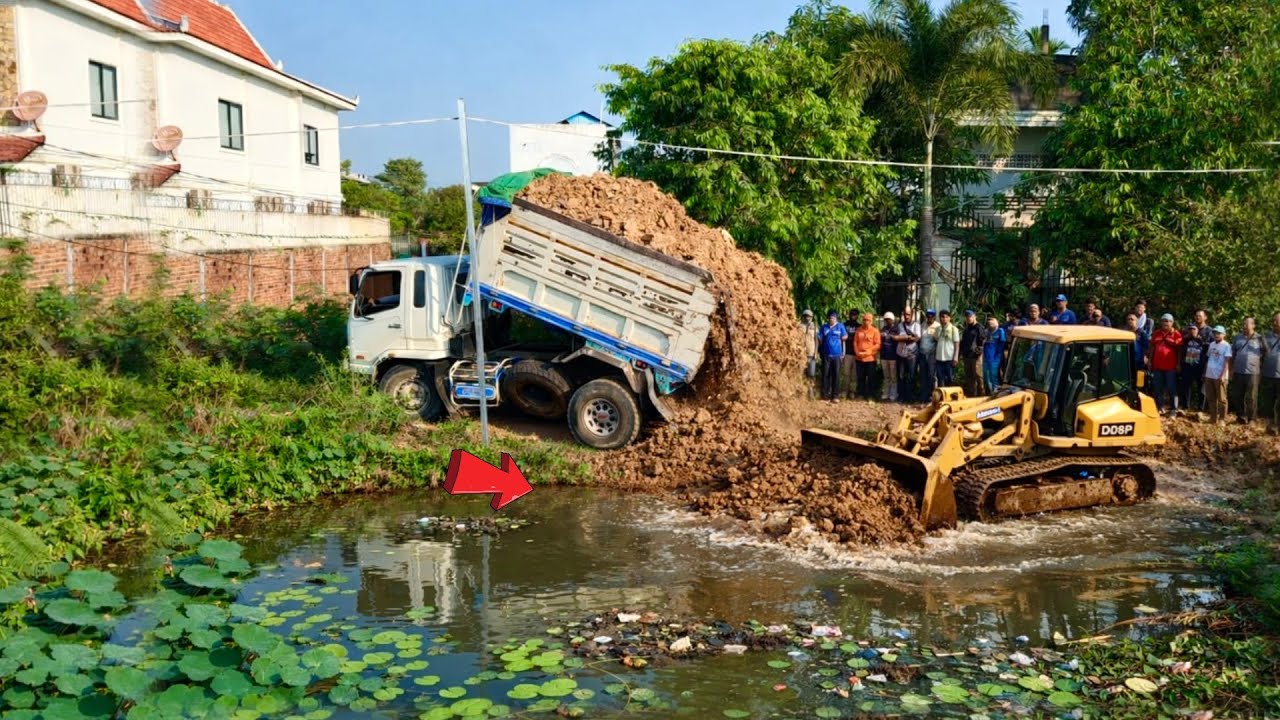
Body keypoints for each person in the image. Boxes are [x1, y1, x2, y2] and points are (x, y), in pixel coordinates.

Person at [1230, 317, 1265, 423]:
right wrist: (1231, 369)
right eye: (1243, 323)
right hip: (1238, 371)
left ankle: (1252, 419)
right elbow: (1232, 354)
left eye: (1247, 324)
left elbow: (1266, 355)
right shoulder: (1237, 337)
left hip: (1253, 372)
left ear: (1253, 325)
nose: (1244, 325)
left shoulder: (1260, 338)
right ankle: (1241, 417)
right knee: (1237, 395)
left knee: (1251, 397)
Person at [1148, 313, 1183, 415]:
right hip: (1157, 366)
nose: (1166, 323)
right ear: (1161, 322)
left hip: (1171, 367)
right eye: (1164, 320)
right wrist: (1150, 361)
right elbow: (1152, 348)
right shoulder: (1156, 333)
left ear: (1172, 323)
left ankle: (1174, 409)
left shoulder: (1176, 334)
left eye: (1168, 321)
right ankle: (1160, 407)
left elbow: (1180, 350)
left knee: (1172, 388)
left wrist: (1178, 364)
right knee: (1158, 388)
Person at [1179, 310, 1213, 413]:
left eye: (1200, 315)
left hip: (1201, 363)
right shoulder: (1188, 329)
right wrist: (1188, 336)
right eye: (1196, 315)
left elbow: (1211, 346)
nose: (1198, 317)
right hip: (1188, 362)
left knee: (1201, 387)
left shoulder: (1209, 331)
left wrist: (1199, 338)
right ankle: (1185, 407)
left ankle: (1200, 409)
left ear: (1205, 317)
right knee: (1185, 386)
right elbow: (1181, 341)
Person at [817, 311, 847, 402]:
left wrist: (843, 352)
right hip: (826, 354)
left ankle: (835, 396)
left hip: (837, 355)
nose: (831, 319)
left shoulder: (840, 326)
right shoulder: (824, 327)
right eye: (830, 318)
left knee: (836, 375)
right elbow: (819, 338)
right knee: (826, 375)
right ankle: (825, 395)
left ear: (836, 318)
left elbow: (845, 337)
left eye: (833, 318)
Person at [1204, 325, 1232, 425]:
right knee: (1211, 398)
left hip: (1219, 375)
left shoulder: (1226, 345)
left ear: (1224, 335)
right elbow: (1209, 358)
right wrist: (1205, 373)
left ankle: (1222, 419)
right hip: (1209, 375)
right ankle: (1213, 417)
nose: (1216, 335)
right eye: (1215, 333)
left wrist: (1223, 375)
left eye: (1219, 333)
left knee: (1222, 399)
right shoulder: (1211, 344)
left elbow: (1227, 362)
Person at [893, 309, 921, 403]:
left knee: (911, 376)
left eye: (908, 314)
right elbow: (894, 337)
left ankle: (910, 397)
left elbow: (917, 338)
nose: (907, 316)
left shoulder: (917, 325)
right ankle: (901, 396)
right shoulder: (900, 325)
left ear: (912, 315)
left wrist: (903, 338)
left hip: (912, 354)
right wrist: (907, 337)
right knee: (900, 376)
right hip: (900, 353)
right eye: (905, 314)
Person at [853, 313, 882, 399]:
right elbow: (855, 342)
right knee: (860, 377)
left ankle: (870, 395)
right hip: (859, 358)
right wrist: (857, 352)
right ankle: (861, 394)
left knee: (871, 377)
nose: (866, 322)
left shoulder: (875, 331)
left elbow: (877, 345)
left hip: (870, 359)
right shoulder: (858, 330)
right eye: (864, 320)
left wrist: (868, 352)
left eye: (868, 320)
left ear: (871, 321)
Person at [1261, 313, 1280, 434]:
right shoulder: (1266, 337)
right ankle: (1270, 426)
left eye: (1278, 321)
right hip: (1268, 375)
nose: (1275, 323)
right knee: (1268, 402)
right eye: (1274, 320)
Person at [960, 310, 985, 396]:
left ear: (975, 316)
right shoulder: (967, 328)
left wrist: (978, 353)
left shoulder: (979, 328)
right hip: (967, 356)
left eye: (970, 316)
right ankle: (971, 395)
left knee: (978, 377)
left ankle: (981, 396)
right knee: (969, 377)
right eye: (967, 317)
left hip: (975, 357)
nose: (968, 318)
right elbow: (963, 342)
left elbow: (982, 342)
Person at [935, 310, 960, 388]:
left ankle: (951, 398)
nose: (944, 319)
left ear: (949, 318)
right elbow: (936, 340)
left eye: (946, 317)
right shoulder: (938, 329)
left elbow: (957, 344)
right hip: (939, 358)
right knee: (940, 379)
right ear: (939, 318)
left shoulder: (954, 329)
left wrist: (955, 357)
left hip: (949, 358)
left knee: (950, 379)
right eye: (942, 317)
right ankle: (941, 398)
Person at [918, 309, 940, 402]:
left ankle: (933, 396)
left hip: (932, 354)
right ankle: (924, 395)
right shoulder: (923, 325)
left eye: (931, 316)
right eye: (928, 316)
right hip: (922, 354)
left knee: (931, 376)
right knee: (923, 375)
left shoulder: (937, 326)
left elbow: (938, 340)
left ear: (934, 317)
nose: (929, 317)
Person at [982, 315, 1007, 394]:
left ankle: (995, 391)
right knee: (986, 375)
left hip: (995, 357)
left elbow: (1002, 343)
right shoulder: (986, 332)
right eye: (989, 320)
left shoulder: (1000, 331)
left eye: (992, 320)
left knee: (994, 375)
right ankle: (989, 391)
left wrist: (998, 355)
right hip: (986, 357)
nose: (990, 322)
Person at [1125, 313, 1150, 388]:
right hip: (1127, 362)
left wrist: (1146, 356)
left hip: (1139, 362)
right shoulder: (1124, 333)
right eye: (1128, 319)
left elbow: (1147, 347)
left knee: (1140, 384)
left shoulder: (1142, 333)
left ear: (1136, 321)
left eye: (1132, 319)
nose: (1130, 321)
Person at [880, 312, 899, 401]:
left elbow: (898, 339)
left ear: (892, 320)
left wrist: (893, 336)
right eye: (886, 320)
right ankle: (886, 393)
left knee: (893, 376)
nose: (887, 321)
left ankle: (893, 394)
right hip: (884, 355)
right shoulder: (883, 329)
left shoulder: (896, 329)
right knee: (886, 376)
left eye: (889, 320)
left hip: (893, 356)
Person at [841, 310, 860, 398]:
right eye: (852, 314)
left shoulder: (859, 326)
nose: (853, 316)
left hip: (856, 353)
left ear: (857, 316)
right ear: (849, 315)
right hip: (847, 353)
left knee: (854, 374)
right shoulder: (844, 325)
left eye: (855, 315)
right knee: (846, 373)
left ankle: (852, 391)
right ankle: (845, 391)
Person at [799, 309, 819, 387]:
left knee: (811, 373)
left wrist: (816, 352)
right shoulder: (799, 325)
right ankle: (802, 389)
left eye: (809, 316)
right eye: (806, 316)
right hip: (801, 353)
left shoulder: (814, 326)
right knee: (802, 372)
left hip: (811, 352)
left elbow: (816, 340)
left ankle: (810, 390)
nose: (807, 318)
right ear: (803, 317)